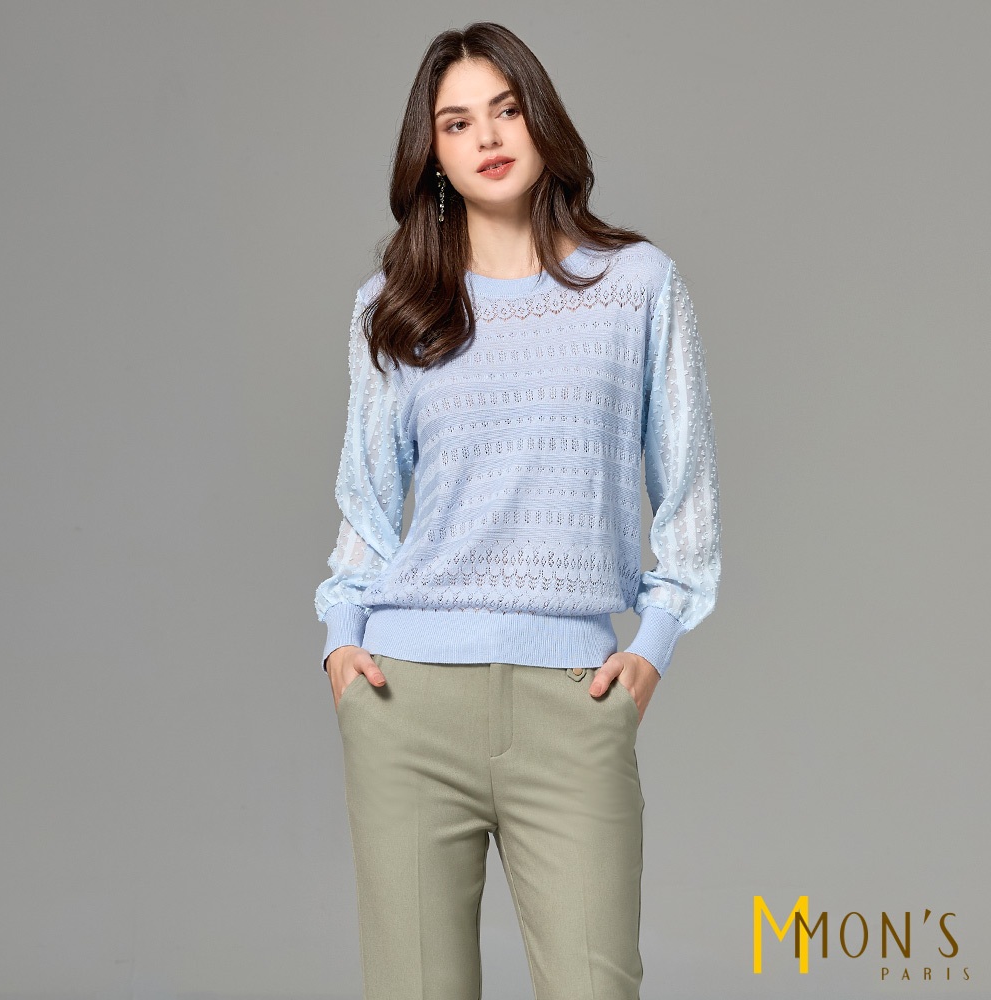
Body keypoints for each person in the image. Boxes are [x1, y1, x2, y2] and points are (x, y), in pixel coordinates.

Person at [314, 21, 721, 1000]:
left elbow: (689, 487)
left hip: (570, 703)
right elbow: (366, 503)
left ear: (542, 121)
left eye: (504, 110)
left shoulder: (637, 287)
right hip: (404, 702)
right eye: (457, 122)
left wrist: (654, 643)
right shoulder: (393, 305)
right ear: (433, 154)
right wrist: (340, 642)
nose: (488, 136)